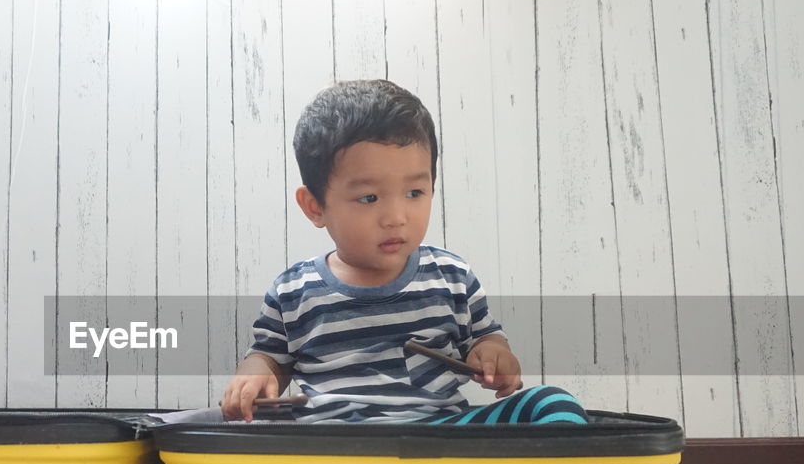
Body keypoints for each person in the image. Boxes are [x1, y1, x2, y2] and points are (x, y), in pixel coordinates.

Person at [220, 79, 588, 425]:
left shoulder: (451, 276)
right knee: (226, 431)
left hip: (440, 433)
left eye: (415, 193)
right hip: (331, 438)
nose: (396, 218)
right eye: (369, 198)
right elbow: (270, 357)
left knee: (551, 404)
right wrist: (256, 373)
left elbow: (485, 337)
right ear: (315, 205)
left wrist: (493, 354)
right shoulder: (292, 291)